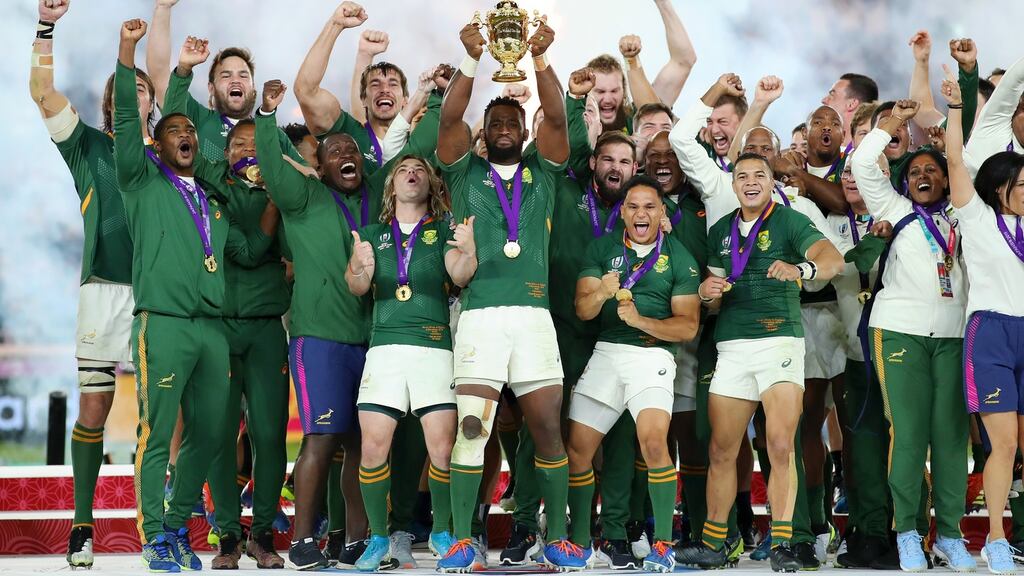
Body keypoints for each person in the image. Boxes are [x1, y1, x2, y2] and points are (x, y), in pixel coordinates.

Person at [114, 18, 278, 573]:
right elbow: (124, 120)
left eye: (191, 130)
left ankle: (178, 526)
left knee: (210, 437)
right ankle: (153, 537)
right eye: (173, 129)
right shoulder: (141, 182)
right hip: (163, 322)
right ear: (156, 142)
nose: (185, 134)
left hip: (211, 328)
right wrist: (129, 48)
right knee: (157, 435)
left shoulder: (212, 201)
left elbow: (251, 248)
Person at [434, 14, 578, 571]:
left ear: (523, 131)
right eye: (492, 121)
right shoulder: (465, 174)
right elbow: (449, 117)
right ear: (482, 132)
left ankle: (559, 539)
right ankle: (465, 542)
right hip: (481, 317)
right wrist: (471, 60)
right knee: (473, 428)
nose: (501, 128)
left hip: (534, 318)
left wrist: (540, 60)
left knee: (546, 429)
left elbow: (560, 117)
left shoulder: (544, 174)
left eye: (510, 121)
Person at [30, 0, 152, 568]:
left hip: (161, 298)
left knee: (166, 414)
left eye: (143, 91)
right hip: (103, 291)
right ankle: (83, 525)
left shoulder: (176, 160)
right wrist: (46, 27)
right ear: (111, 106)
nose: (135, 99)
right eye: (126, 92)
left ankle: (163, 522)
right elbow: (41, 93)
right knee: (94, 410)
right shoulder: (87, 146)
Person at [679, 152, 842, 572]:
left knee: (781, 445)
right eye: (742, 176)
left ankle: (786, 543)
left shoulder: (788, 221)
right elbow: (713, 292)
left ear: (772, 182)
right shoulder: (721, 230)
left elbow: (832, 259)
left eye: (759, 176)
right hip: (733, 346)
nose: (750, 182)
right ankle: (716, 542)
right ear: (733, 185)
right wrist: (705, 291)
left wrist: (802, 268)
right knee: (721, 448)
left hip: (779, 344)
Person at [163, 36, 291, 570]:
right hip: (217, 324)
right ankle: (226, 536)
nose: (244, 151)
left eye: (254, 144)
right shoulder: (212, 183)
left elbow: (282, 250)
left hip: (264, 327)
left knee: (267, 433)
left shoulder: (285, 189)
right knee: (215, 432)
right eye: (236, 145)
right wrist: (182, 72)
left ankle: (262, 531)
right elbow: (173, 126)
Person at [850, 98, 973, 572]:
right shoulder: (893, 206)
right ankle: (906, 532)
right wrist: (894, 123)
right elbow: (863, 161)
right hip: (898, 332)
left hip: (954, 335)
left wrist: (951, 146)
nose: (924, 175)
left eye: (934, 170)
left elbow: (969, 168)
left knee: (949, 437)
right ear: (905, 180)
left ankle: (952, 536)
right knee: (908, 435)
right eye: (916, 170)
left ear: (947, 178)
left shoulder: (962, 213)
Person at [344, 155, 476, 569]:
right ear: (391, 186)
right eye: (402, 170)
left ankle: (441, 531)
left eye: (418, 170)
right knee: (372, 448)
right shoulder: (369, 234)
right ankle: (379, 538)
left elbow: (460, 276)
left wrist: (469, 252)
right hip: (384, 350)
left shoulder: (443, 231)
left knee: (441, 449)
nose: (411, 174)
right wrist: (357, 267)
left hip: (434, 348)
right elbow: (357, 286)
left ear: (430, 184)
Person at [568, 174, 701, 572]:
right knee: (578, 450)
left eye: (649, 206)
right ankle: (577, 544)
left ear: (662, 213)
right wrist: (601, 293)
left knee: (654, 443)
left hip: (652, 356)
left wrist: (642, 321)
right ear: (622, 212)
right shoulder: (602, 249)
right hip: (607, 353)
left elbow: (688, 326)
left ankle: (662, 545)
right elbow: (582, 310)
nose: (641, 213)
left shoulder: (679, 257)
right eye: (633, 206)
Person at [944, 67, 1024, 575]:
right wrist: (956, 108)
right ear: (1002, 188)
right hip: (991, 333)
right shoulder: (975, 216)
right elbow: (955, 157)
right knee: (1005, 443)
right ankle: (995, 535)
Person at [826, 160, 893, 568]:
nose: (850, 177)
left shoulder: (902, 217)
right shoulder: (828, 221)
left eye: (861, 169)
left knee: (905, 445)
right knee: (864, 448)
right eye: (845, 172)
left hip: (902, 350)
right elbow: (820, 276)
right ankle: (870, 532)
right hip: (855, 353)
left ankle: (909, 531)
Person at [145, 0, 304, 164]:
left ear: (254, 89)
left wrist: (281, 162)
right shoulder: (196, 119)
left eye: (243, 75)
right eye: (226, 76)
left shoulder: (274, 135)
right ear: (211, 88)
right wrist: (163, 8)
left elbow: (310, 176)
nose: (235, 80)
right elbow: (160, 75)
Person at [822, 73, 879, 151]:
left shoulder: (872, 154)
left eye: (832, 95)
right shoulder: (816, 150)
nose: (824, 100)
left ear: (851, 104)